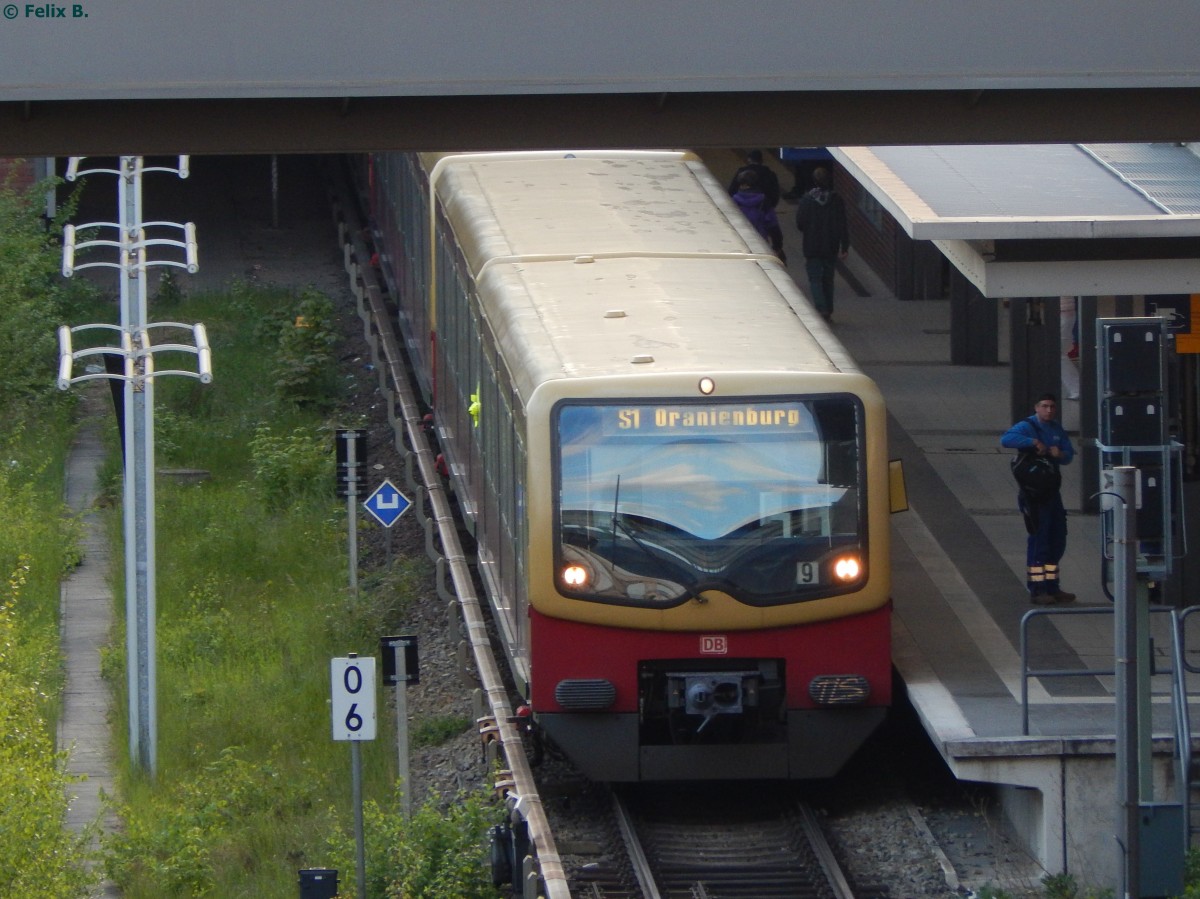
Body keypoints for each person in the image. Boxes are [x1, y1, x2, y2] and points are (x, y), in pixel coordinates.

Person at [1001, 394, 1076, 604]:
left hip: (1052, 493)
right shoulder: (1027, 426)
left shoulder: (1056, 429)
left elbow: (1069, 454)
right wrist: (1032, 442)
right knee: (1039, 541)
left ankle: (1053, 587)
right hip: (1034, 496)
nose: (1049, 410)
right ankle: (1037, 589)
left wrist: (1059, 454)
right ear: (1037, 408)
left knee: (1057, 539)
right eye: (1045, 406)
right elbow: (1006, 439)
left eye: (1052, 407)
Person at [794, 167, 848, 321]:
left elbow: (800, 223)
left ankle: (821, 308)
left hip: (812, 246)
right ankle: (829, 309)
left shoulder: (807, 200)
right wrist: (845, 246)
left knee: (815, 279)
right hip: (831, 246)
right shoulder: (836, 200)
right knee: (828, 279)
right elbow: (842, 224)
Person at [731, 170, 786, 262]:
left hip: (739, 242)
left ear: (741, 184)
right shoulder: (764, 201)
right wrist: (777, 246)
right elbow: (773, 225)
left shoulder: (733, 201)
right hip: (760, 242)